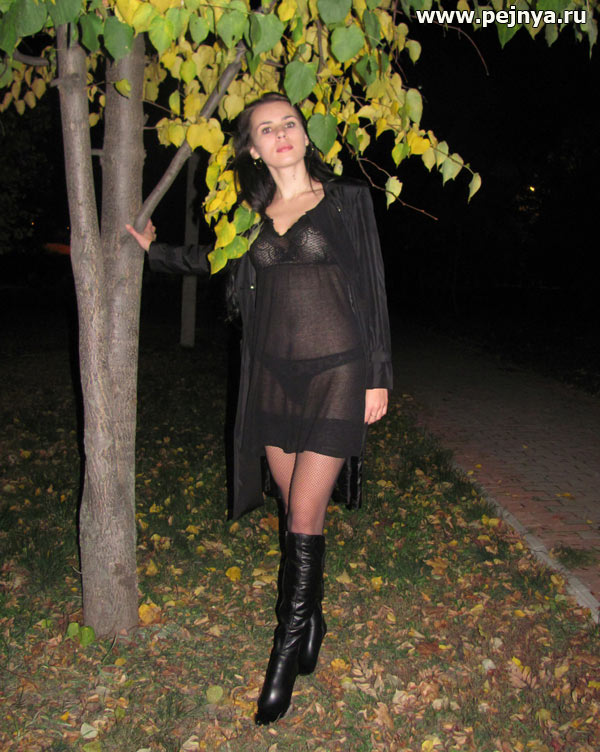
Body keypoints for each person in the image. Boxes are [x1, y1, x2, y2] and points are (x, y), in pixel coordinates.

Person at [127, 92, 392, 725]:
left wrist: (378, 375)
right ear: (252, 148)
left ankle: (284, 651)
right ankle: (313, 616)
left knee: (303, 512)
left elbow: (374, 286)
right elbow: (208, 260)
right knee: (293, 512)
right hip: (272, 378)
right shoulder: (250, 217)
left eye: (289, 123)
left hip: (338, 373)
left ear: (305, 133)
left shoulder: (346, 200)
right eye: (266, 129)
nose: (281, 134)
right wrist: (151, 251)